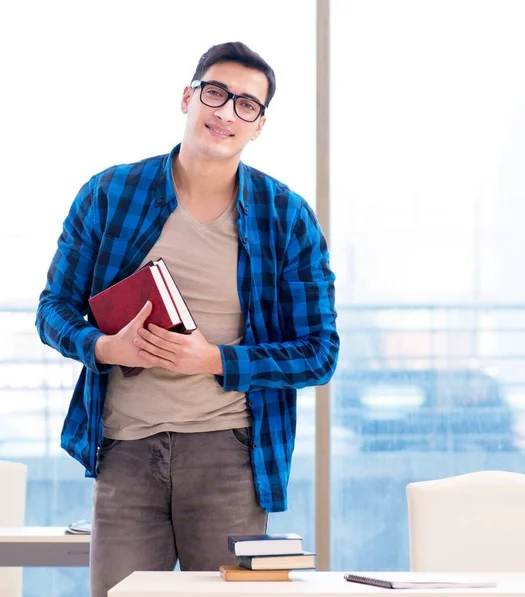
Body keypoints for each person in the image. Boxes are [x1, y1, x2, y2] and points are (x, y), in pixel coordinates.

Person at [36, 41, 339, 597]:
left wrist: (216, 360)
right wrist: (106, 347)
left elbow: (320, 353)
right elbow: (52, 309)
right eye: (216, 93)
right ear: (188, 97)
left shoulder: (286, 216)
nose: (226, 112)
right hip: (124, 450)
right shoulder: (109, 195)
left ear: (259, 126)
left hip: (230, 454)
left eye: (246, 105)